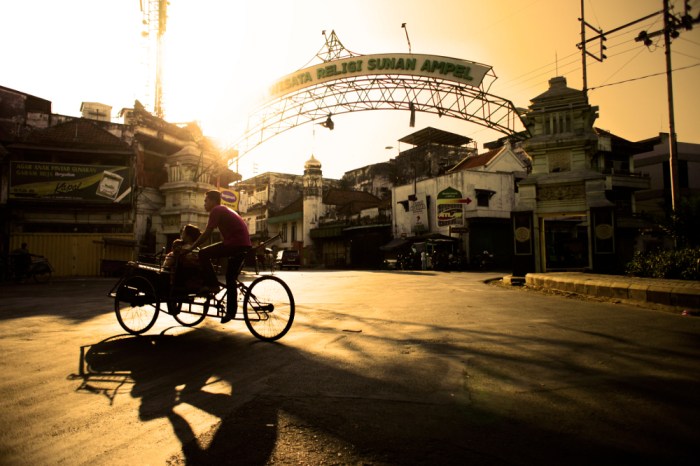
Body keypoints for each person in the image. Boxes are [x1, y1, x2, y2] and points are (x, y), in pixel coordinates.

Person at [184, 190, 252, 323]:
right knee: (230, 277)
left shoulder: (216, 210)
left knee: (203, 254)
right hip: (241, 244)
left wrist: (191, 248)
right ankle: (228, 308)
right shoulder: (223, 210)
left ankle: (213, 285)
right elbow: (209, 234)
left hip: (236, 244)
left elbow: (207, 234)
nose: (204, 203)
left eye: (206, 200)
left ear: (213, 201)